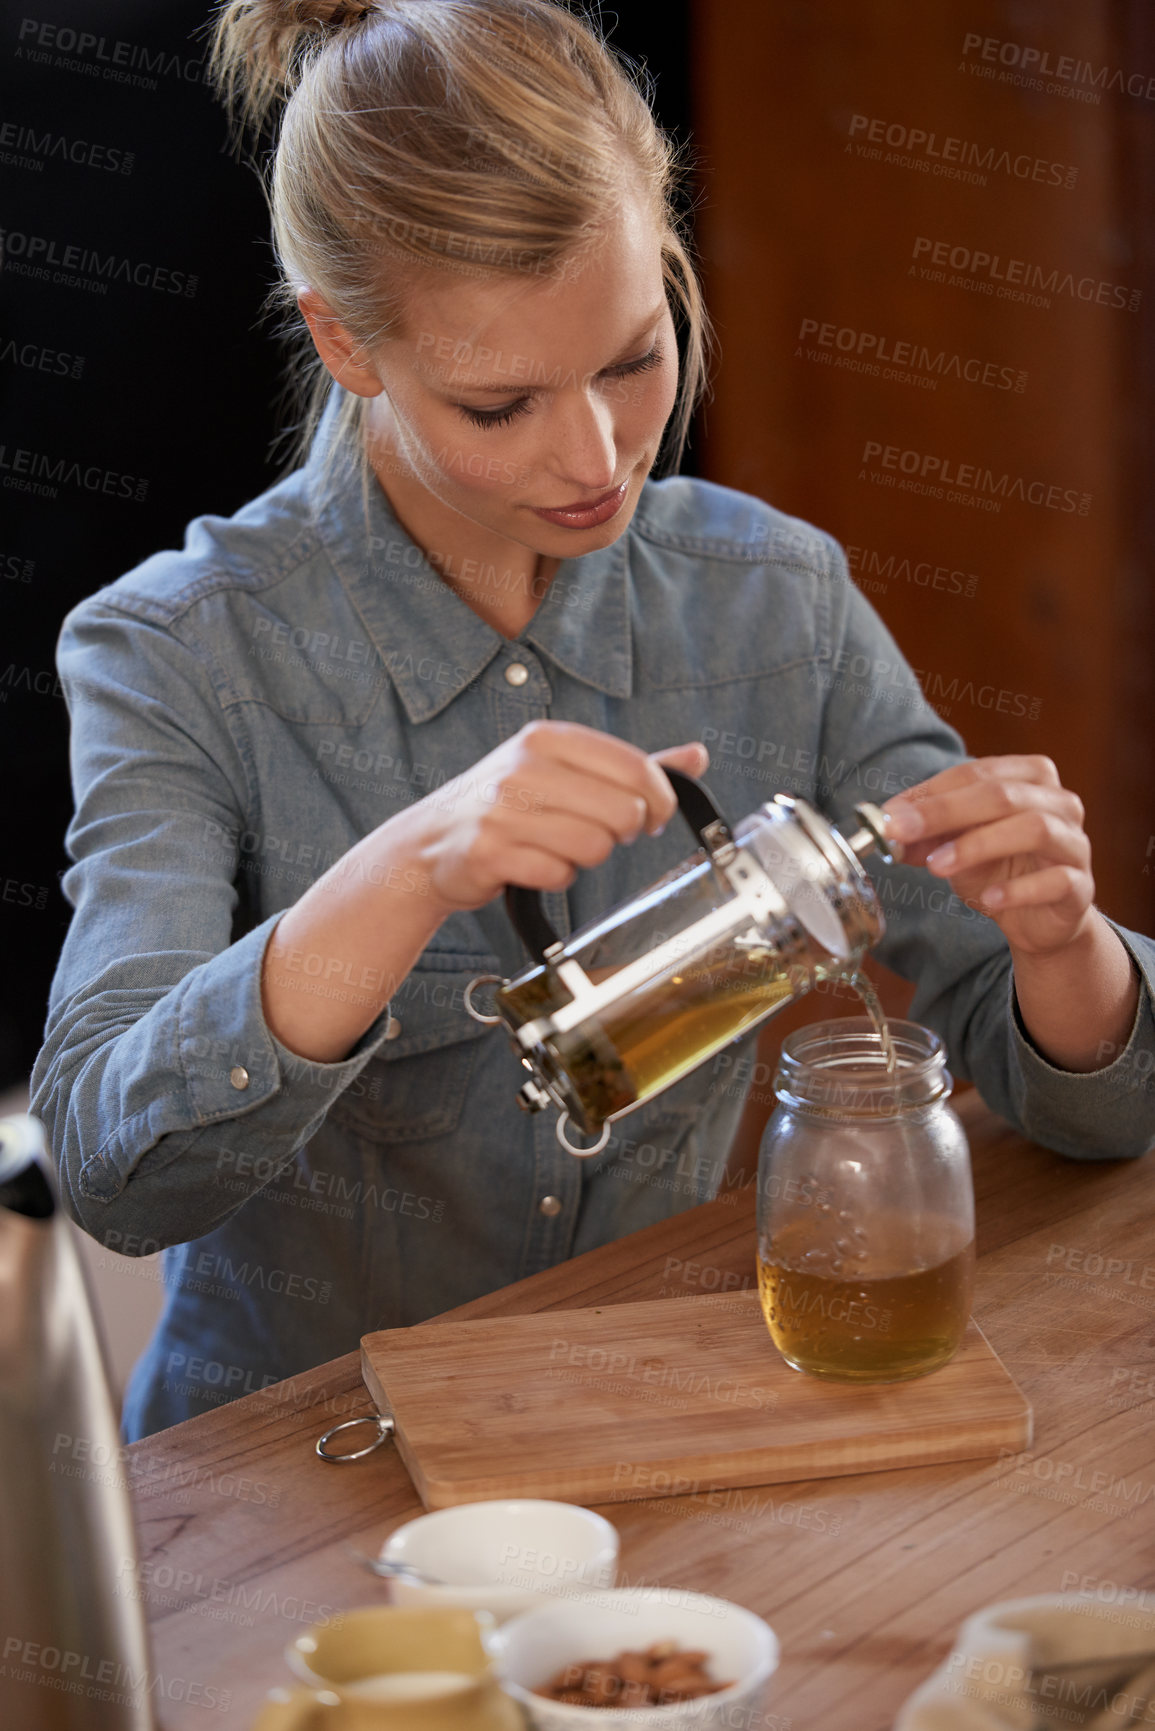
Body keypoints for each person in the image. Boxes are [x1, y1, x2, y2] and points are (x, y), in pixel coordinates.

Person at [31, 0, 1155, 1441]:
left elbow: (1094, 1106)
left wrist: (1064, 945)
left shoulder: (773, 601)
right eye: (499, 405)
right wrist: (406, 866)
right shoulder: (174, 650)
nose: (598, 456)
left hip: (650, 1435)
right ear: (346, 342)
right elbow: (119, 1171)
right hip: (294, 1488)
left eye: (633, 357)